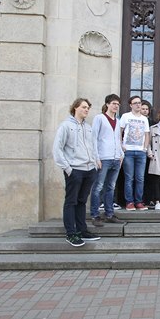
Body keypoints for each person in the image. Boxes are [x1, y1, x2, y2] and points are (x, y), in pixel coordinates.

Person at [53, 98, 101, 247]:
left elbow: (93, 147)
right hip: (75, 170)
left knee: (81, 201)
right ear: (75, 108)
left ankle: (82, 230)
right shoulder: (66, 126)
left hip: (89, 170)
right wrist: (68, 169)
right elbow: (57, 149)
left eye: (88, 108)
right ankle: (71, 233)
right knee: (71, 201)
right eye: (84, 107)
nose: (86, 110)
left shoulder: (88, 127)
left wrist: (95, 162)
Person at [89, 94, 124, 227]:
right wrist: (96, 157)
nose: (116, 106)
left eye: (118, 104)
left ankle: (109, 214)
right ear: (107, 104)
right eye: (114, 103)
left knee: (111, 187)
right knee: (98, 187)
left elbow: (118, 139)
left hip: (116, 158)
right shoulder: (100, 118)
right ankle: (95, 215)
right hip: (104, 158)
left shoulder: (118, 120)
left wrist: (121, 155)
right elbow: (94, 138)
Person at [120, 96, 150, 211]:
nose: (138, 105)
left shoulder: (144, 119)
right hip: (128, 151)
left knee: (140, 178)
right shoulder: (125, 116)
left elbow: (147, 134)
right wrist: (121, 145)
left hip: (141, 152)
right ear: (130, 105)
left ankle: (139, 201)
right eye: (135, 103)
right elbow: (120, 131)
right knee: (129, 178)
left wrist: (145, 148)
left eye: (139, 103)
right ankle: (129, 202)